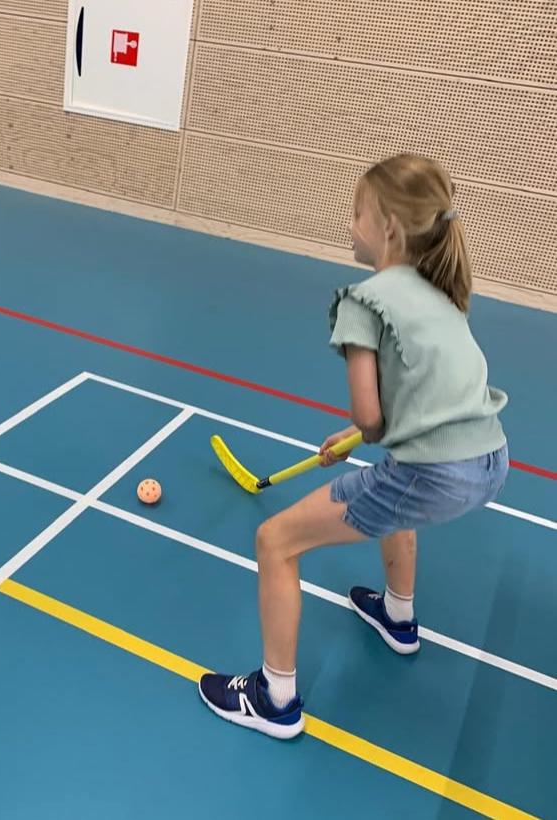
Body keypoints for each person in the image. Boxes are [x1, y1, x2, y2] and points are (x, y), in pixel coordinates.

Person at [198, 153, 509, 739]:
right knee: (398, 484)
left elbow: (370, 415)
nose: (349, 225)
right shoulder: (442, 290)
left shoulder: (361, 301)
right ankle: (398, 615)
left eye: (356, 213)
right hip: (490, 462)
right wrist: (361, 437)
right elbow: (422, 398)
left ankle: (274, 698)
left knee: (275, 542)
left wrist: (360, 431)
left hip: (435, 473)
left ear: (388, 227)